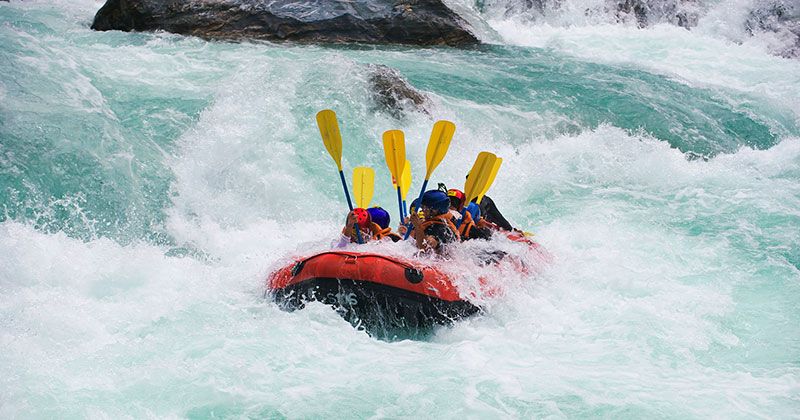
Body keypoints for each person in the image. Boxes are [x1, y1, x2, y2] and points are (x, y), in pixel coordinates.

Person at [407, 190, 459, 255]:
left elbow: (425, 249)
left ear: (434, 211)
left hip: (439, 263)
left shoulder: (441, 229)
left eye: (424, 207)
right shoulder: (438, 223)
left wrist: (417, 226)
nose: (422, 210)